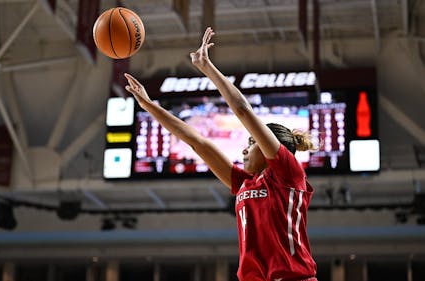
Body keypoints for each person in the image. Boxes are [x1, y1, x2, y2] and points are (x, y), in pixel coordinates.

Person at [124, 27, 318, 281]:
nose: (244, 149)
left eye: (252, 142)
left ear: (271, 146)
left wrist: (207, 68)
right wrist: (150, 106)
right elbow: (197, 143)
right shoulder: (243, 182)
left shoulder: (287, 171)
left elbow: (242, 110)